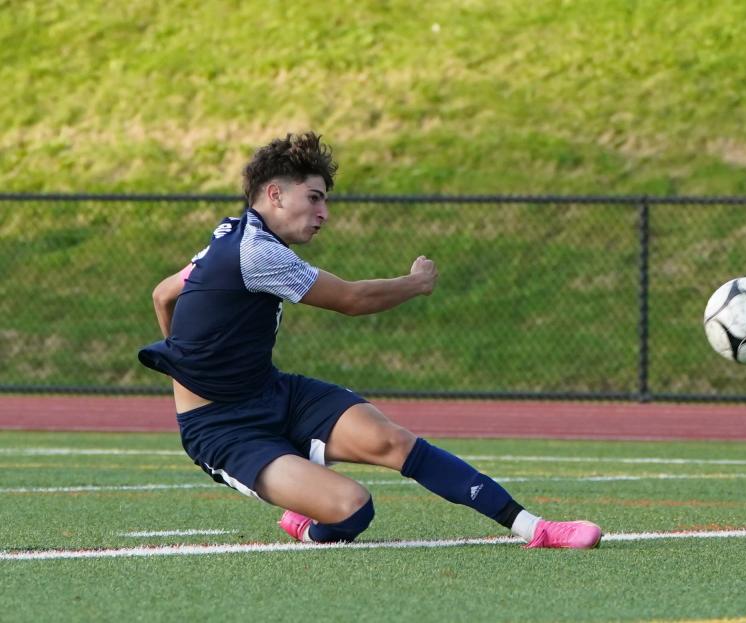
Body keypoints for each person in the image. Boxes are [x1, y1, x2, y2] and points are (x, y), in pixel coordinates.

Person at [139, 132, 601, 548]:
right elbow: (352, 300)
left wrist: (186, 365)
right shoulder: (255, 251)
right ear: (275, 194)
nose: (324, 213)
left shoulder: (229, 237)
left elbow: (163, 296)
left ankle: (534, 528)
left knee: (392, 442)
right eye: (314, 198)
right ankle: (305, 523)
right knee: (354, 507)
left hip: (273, 392)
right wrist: (415, 282)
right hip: (223, 430)